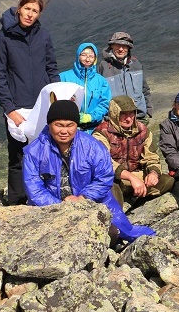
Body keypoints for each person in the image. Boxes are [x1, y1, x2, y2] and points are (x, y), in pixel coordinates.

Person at [23, 100, 154, 244]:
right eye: (59, 125)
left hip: (91, 203)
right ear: (49, 125)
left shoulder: (92, 146)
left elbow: (104, 178)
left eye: (70, 125)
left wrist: (83, 198)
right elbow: (34, 189)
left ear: (76, 125)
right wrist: (61, 206)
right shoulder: (34, 152)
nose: (64, 131)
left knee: (111, 235)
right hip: (51, 210)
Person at [0, 0, 59, 205]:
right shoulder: (1, 39)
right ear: (19, 9)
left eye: (35, 11)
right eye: (27, 9)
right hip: (17, 108)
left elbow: (51, 68)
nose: (30, 14)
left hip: (43, 106)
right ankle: (17, 203)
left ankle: (42, 200)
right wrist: (10, 110)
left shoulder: (43, 36)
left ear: (39, 14)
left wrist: (57, 100)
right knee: (18, 157)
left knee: (45, 154)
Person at [93, 96, 174, 206]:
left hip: (136, 174)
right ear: (114, 114)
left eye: (132, 113)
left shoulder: (143, 131)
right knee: (112, 191)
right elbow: (104, 163)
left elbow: (151, 157)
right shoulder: (101, 133)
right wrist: (131, 178)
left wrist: (153, 173)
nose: (129, 118)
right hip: (115, 179)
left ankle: (137, 202)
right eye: (124, 114)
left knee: (167, 181)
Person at [97, 31, 152, 123]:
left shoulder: (136, 64)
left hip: (138, 117)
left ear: (129, 47)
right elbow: (99, 95)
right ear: (111, 46)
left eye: (124, 46)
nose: (121, 49)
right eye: (117, 45)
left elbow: (145, 89)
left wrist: (149, 110)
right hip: (115, 120)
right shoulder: (104, 66)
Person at [59, 43, 111, 132]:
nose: (87, 59)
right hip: (69, 129)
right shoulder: (63, 77)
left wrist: (91, 116)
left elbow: (105, 103)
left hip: (94, 129)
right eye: (84, 55)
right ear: (78, 56)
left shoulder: (101, 81)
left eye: (91, 56)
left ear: (95, 59)